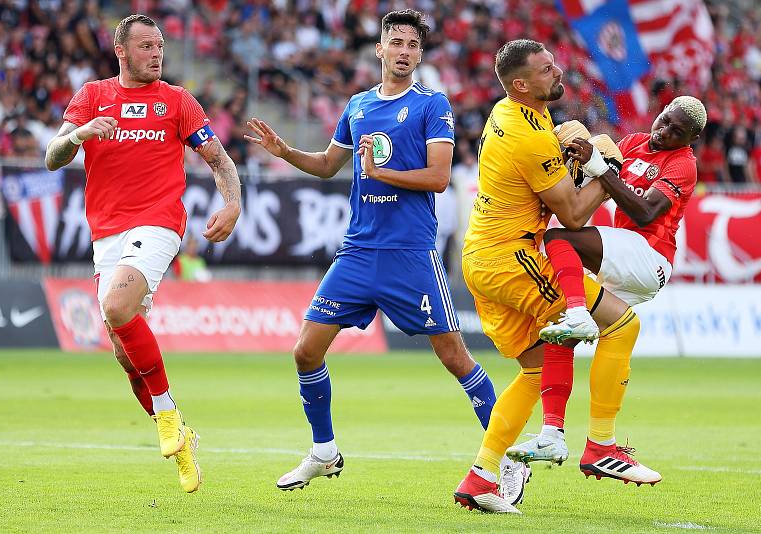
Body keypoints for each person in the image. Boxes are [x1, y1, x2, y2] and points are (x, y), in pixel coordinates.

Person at [244, 9, 526, 502]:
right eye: (395, 42)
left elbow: (439, 177)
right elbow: (331, 164)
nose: (403, 51)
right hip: (357, 250)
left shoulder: (431, 105)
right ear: (379, 49)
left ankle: (507, 459)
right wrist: (285, 151)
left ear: (420, 54)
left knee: (454, 355)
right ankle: (324, 449)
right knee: (305, 350)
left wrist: (381, 174)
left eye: (412, 45)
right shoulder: (358, 105)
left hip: (410, 252)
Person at [452, 39, 660, 514]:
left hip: (483, 258)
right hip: (512, 256)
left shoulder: (517, 113)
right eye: (546, 70)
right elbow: (571, 214)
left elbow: (550, 188)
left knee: (536, 369)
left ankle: (480, 476)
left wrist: (573, 159)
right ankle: (596, 445)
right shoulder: (526, 133)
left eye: (554, 63)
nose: (558, 71)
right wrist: (606, 167)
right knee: (621, 324)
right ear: (521, 84)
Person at [44, 14, 241, 493]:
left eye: (160, 45)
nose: (157, 53)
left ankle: (168, 413)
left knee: (116, 306)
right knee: (123, 352)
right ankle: (181, 438)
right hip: (105, 233)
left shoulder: (177, 102)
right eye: (147, 46)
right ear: (122, 51)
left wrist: (233, 202)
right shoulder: (93, 96)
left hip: (159, 223)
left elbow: (219, 160)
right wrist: (81, 134)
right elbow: (52, 157)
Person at [508, 96, 706, 472]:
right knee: (559, 332)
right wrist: (576, 161)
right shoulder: (631, 143)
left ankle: (580, 313)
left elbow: (645, 211)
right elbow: (597, 182)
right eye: (663, 121)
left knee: (559, 239)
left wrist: (599, 165)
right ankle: (561, 437)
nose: (663, 132)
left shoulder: (683, 165)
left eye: (676, 131)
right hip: (625, 259)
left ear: (691, 138)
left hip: (649, 256)